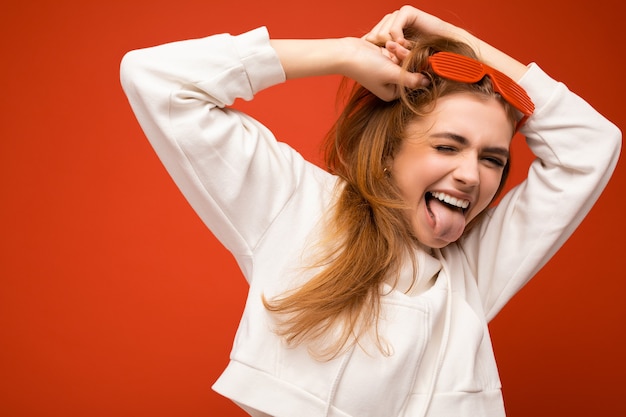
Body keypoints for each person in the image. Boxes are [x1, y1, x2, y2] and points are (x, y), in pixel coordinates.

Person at [120, 5, 621, 417]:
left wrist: (455, 38)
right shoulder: (294, 205)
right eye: (448, 147)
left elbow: (592, 145)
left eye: (492, 158)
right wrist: (344, 55)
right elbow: (157, 79)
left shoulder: (470, 269)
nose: (473, 175)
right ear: (388, 151)